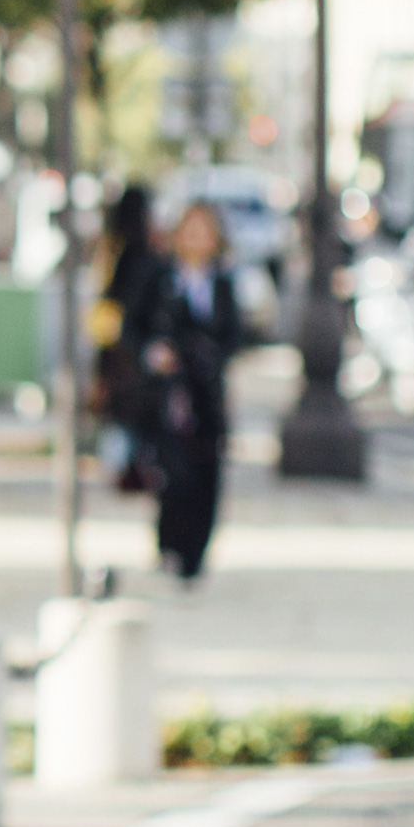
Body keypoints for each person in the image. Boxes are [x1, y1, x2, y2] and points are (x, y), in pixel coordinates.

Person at [140, 202, 241, 583]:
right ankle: (170, 544)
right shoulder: (160, 278)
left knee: (207, 471)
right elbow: (135, 325)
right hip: (169, 393)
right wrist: (154, 353)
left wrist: (214, 356)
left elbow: (234, 335)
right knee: (173, 472)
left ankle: (196, 552)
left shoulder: (222, 283)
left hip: (207, 394)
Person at [90, 183, 158, 491]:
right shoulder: (143, 253)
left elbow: (110, 306)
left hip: (119, 347)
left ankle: (125, 468)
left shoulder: (116, 252)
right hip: (130, 348)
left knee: (122, 415)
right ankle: (130, 467)